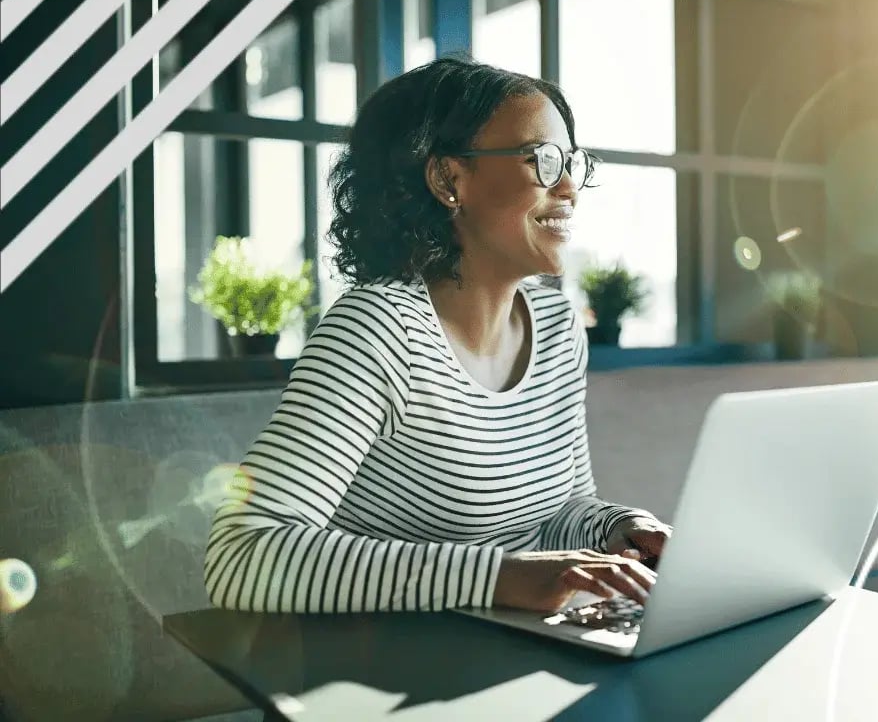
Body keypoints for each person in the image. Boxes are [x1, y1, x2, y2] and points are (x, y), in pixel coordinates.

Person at [203, 57, 671, 615]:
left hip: (514, 655)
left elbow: (559, 508)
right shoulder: (376, 331)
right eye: (542, 160)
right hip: (378, 675)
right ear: (449, 180)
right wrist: (499, 577)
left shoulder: (557, 326)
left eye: (572, 161)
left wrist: (619, 530)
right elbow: (242, 553)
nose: (569, 186)